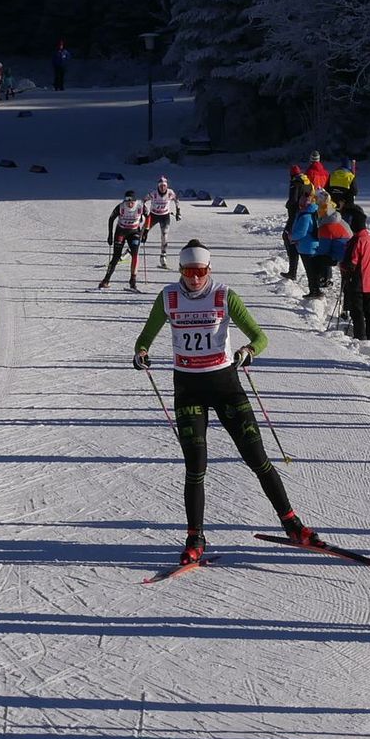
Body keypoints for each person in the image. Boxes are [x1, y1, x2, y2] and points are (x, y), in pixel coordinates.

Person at [134, 241, 318, 565]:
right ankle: (195, 538)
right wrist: (141, 353)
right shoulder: (169, 297)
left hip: (225, 385)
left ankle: (292, 524)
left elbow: (260, 337)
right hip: (188, 388)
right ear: (181, 271)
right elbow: (144, 337)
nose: (194, 279)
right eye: (188, 272)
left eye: (200, 272)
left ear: (209, 269)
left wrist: (248, 351)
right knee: (196, 467)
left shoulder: (223, 295)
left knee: (257, 458)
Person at [100, 190, 151, 290]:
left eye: (132, 202)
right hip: (121, 231)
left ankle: (133, 281)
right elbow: (111, 219)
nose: (130, 204)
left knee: (135, 255)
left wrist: (146, 231)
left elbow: (148, 216)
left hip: (134, 232)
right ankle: (106, 280)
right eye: (127, 202)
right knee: (116, 257)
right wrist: (110, 235)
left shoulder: (140, 206)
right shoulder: (121, 207)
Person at [346, 220, 370, 343]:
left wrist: (346, 269)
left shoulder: (359, 241)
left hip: (359, 279)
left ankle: (360, 335)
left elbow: (353, 261)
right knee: (369, 309)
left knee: (357, 310)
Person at [283, 166, 312, 279]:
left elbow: (293, 200)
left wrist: (288, 205)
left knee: (289, 239)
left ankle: (292, 271)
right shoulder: (308, 182)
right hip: (305, 212)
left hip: (295, 216)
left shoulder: (295, 183)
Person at [147, 176, 180, 262]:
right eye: (161, 186)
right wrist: (143, 210)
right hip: (153, 215)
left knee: (164, 236)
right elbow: (143, 200)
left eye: (164, 185)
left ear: (167, 186)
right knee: (142, 232)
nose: (162, 187)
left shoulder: (170, 193)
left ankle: (163, 255)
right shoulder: (154, 193)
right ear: (158, 186)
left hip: (164, 216)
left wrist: (178, 212)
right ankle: (130, 251)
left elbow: (176, 200)